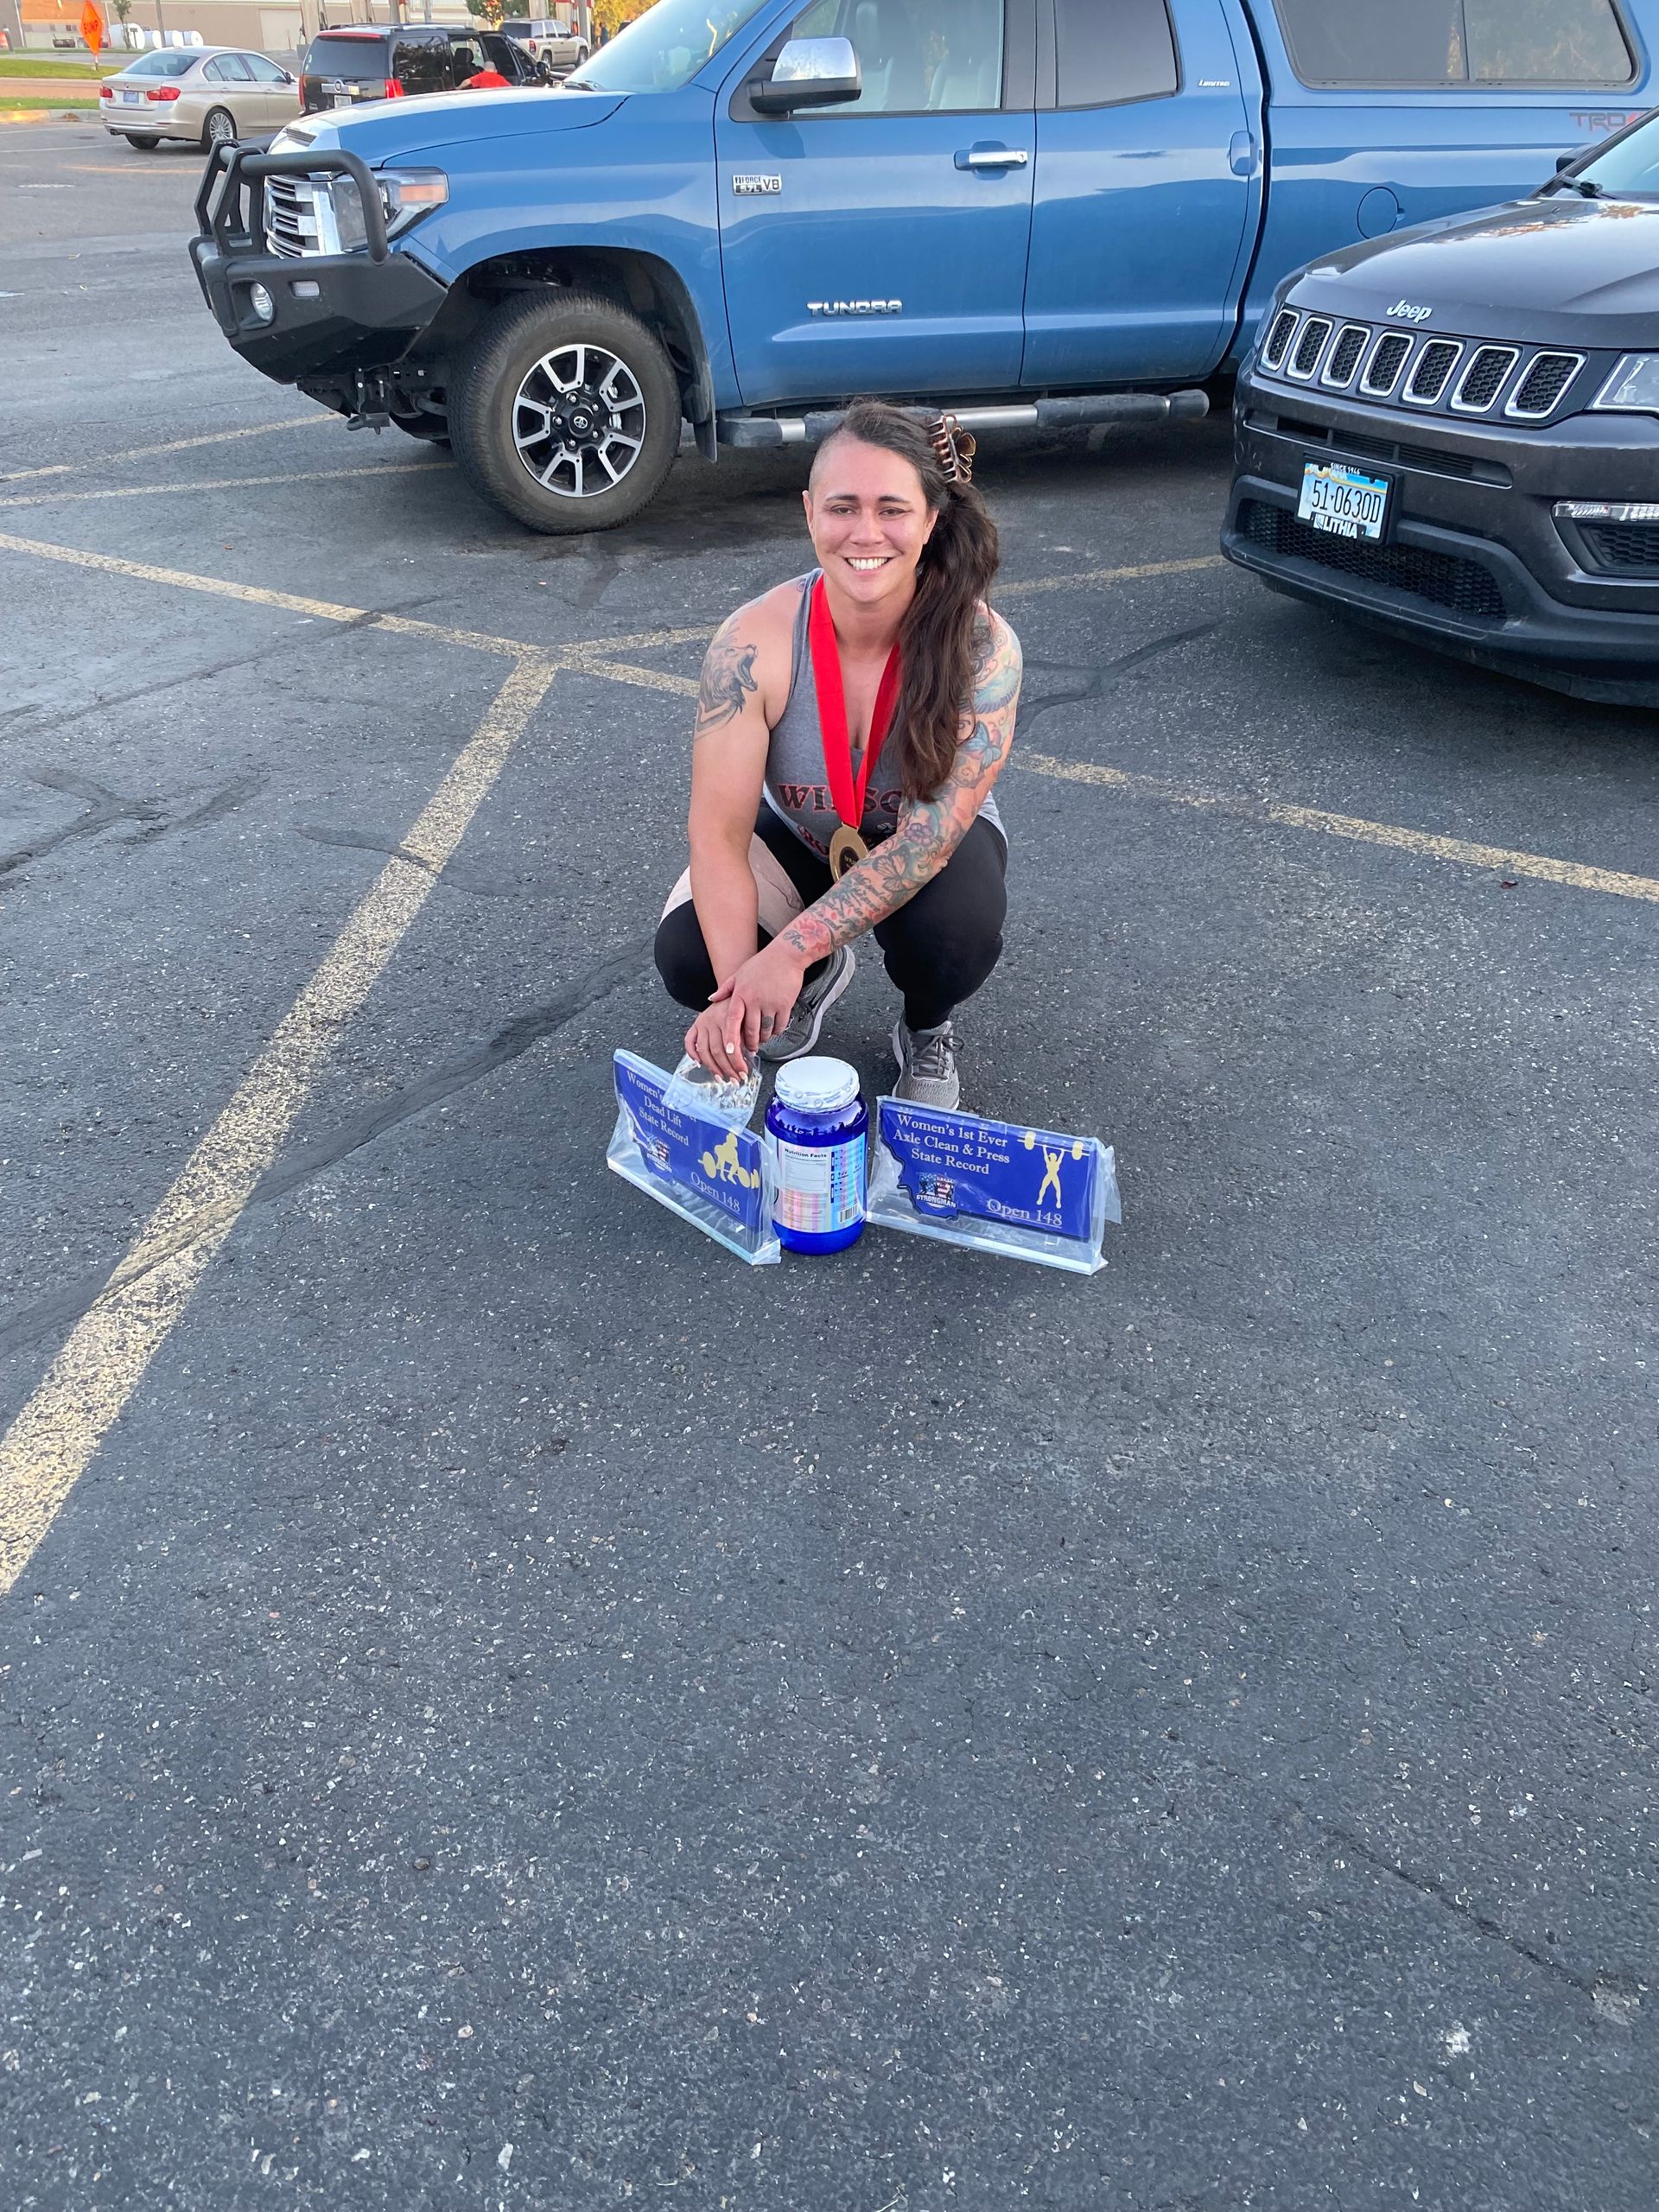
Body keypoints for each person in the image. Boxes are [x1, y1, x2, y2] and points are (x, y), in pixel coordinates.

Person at [654, 397, 1021, 1110]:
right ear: (809, 511)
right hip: (798, 833)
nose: (865, 533)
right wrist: (741, 997)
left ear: (930, 519)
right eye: (842, 507)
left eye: (891, 508)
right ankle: (805, 987)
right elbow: (718, 832)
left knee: (956, 934)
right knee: (688, 958)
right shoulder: (752, 640)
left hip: (926, 851)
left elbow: (925, 843)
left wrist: (786, 950)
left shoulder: (983, 648)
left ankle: (924, 1027)